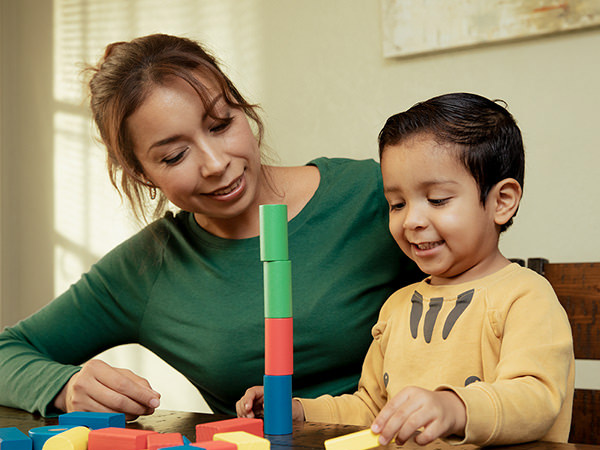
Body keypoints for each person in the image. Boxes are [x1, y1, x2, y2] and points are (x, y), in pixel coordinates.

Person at [0, 34, 421, 419]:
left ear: (241, 108)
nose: (216, 163)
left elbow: (484, 301)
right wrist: (65, 386)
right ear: (141, 171)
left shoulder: (375, 195)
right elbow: (7, 351)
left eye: (221, 125)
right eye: (174, 156)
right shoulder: (150, 267)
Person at [237, 93, 575, 446]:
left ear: (501, 201)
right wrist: (302, 411)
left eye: (437, 200)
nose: (411, 220)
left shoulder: (526, 296)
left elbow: (536, 400)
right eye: (397, 204)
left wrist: (454, 407)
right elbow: (372, 409)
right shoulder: (397, 307)